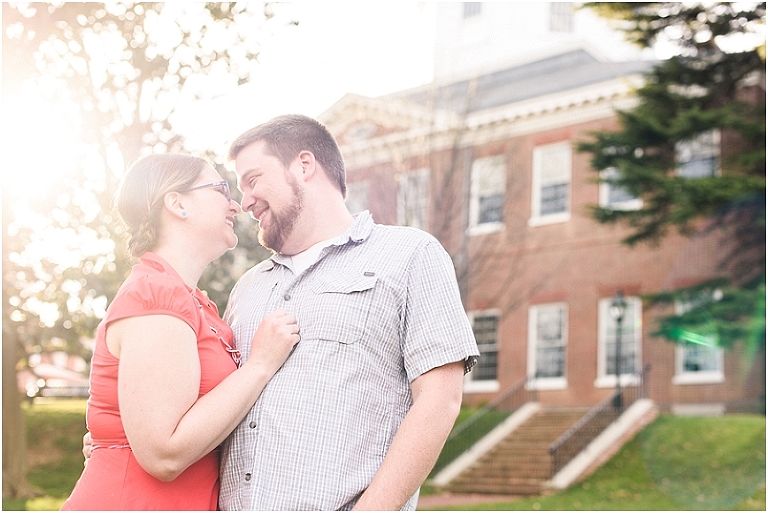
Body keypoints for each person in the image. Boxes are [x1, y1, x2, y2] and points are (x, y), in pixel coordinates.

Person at [218, 114, 480, 510]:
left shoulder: (410, 255)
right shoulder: (247, 288)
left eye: (253, 180)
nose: (244, 201)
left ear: (304, 165)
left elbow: (440, 399)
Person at [62, 154, 300, 510]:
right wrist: (260, 365)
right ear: (177, 204)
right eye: (221, 189)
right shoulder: (156, 296)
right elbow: (164, 455)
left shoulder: (187, 300)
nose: (235, 204)